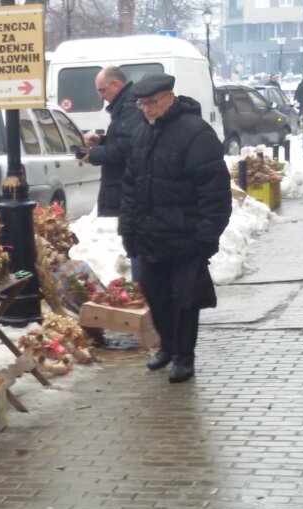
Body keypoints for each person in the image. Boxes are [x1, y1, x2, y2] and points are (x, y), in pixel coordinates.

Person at [118, 73, 232, 383]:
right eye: (142, 104)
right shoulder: (142, 134)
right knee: (155, 295)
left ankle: (184, 356)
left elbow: (215, 191)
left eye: (152, 103)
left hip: (185, 236)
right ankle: (167, 347)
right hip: (149, 235)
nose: (147, 109)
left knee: (184, 300)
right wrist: (128, 229)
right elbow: (130, 187)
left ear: (170, 96)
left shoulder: (196, 133)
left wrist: (207, 236)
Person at [78, 66, 145, 219]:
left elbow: (127, 148)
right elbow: (123, 139)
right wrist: (102, 141)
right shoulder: (125, 105)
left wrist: (94, 154)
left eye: (102, 90)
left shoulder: (130, 107)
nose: (100, 96)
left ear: (116, 84)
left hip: (123, 187)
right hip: (119, 187)